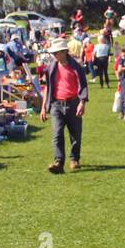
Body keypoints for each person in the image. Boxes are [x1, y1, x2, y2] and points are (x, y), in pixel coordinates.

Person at [39, 37, 88, 174]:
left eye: (56, 52)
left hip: (73, 103)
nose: (54, 55)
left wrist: (82, 103)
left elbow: (83, 86)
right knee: (57, 134)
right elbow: (47, 88)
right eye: (53, 53)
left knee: (75, 134)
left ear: (64, 52)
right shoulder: (51, 68)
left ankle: (74, 159)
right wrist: (43, 107)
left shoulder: (76, 67)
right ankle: (58, 162)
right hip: (56, 104)